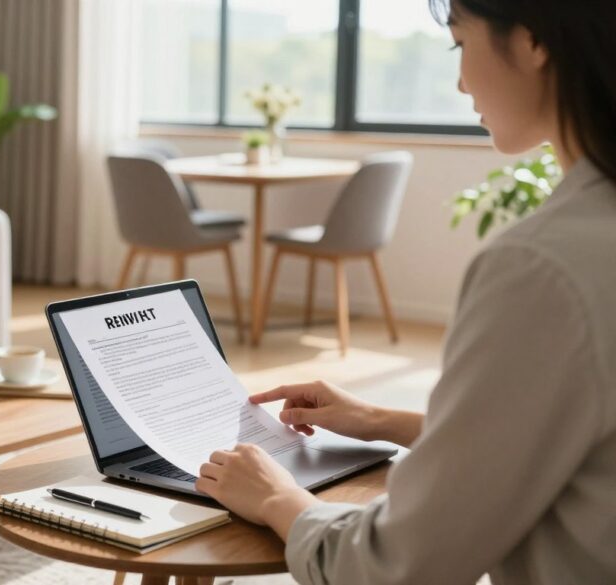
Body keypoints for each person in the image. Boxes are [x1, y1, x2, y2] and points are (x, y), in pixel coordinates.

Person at [195, 1, 616, 583]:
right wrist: (379, 419)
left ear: (532, 40)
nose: (461, 82)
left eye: (460, 44)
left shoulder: (541, 269)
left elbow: (399, 566)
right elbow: (572, 440)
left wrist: (277, 498)